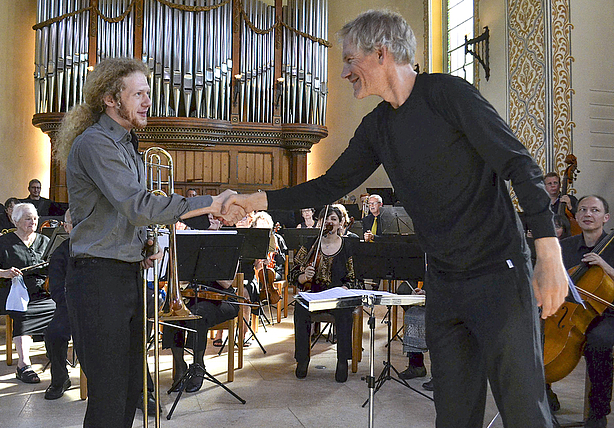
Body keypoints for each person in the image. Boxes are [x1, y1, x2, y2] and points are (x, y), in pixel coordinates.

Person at [222, 9, 568, 427]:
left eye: (350, 59)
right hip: (444, 281)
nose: (345, 70)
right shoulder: (377, 127)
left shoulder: (449, 95)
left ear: (381, 52)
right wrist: (254, 199)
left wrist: (549, 256)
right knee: (454, 415)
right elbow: (327, 186)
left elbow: (520, 166)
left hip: (499, 273)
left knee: (525, 412)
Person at [54, 57, 242, 428]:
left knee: (130, 390)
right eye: (138, 93)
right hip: (97, 280)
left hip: (125, 275)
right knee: (108, 398)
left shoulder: (128, 145)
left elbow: (122, 215)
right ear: (110, 98)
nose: (147, 101)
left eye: (148, 93)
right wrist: (211, 203)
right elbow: (139, 206)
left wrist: (142, 246)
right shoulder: (95, 144)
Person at [0, 203, 56, 384]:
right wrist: (4, 273)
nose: (33, 222)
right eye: (28, 218)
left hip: (41, 291)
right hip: (13, 291)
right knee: (23, 312)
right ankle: (23, 364)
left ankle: (55, 353)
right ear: (16, 220)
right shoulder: (4, 242)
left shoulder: (44, 241)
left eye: (35, 218)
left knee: (61, 309)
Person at [558, 195, 614, 428]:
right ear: (577, 215)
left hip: (608, 313)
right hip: (570, 311)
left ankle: (598, 412)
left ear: (605, 217)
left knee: (598, 342)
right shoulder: (566, 246)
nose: (588, 214)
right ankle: (544, 399)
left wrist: (605, 266)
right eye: (582, 210)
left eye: (594, 210)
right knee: (537, 336)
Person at [289, 205, 360, 383]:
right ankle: (302, 359)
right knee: (300, 309)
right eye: (325, 219)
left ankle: (342, 360)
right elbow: (293, 273)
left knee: (344, 313)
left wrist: (345, 288)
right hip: (314, 294)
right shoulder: (311, 244)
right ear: (320, 223)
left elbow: (355, 278)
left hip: (338, 297)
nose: (329, 222)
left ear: (340, 223)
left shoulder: (347, 246)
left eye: (334, 219)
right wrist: (304, 277)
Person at [43, 209, 73, 400]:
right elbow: (56, 288)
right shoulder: (61, 252)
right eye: (73, 224)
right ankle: (60, 378)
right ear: (65, 227)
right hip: (71, 306)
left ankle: (139, 389)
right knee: (54, 333)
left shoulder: (101, 246)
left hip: (101, 305)